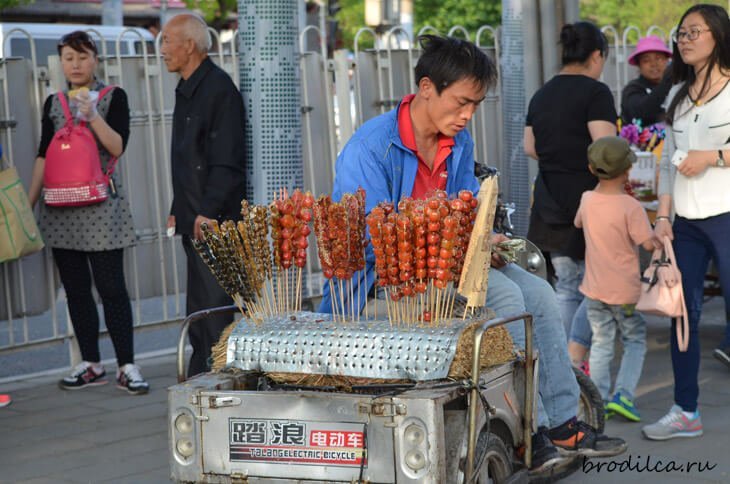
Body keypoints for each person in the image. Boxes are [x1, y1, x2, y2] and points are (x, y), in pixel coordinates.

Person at [319, 34, 627, 472]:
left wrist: (484, 241)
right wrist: (452, 243)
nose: (467, 116)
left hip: (452, 266)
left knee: (538, 293)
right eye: (461, 102)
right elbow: (370, 237)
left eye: (475, 106)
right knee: (506, 300)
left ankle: (561, 422)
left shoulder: (457, 142)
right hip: (390, 276)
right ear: (427, 88)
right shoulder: (371, 147)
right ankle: (532, 433)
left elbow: (464, 207)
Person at [26, 31, 148, 395]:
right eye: (68, 58)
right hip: (59, 210)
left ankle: (127, 365)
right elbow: (43, 157)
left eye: (81, 57)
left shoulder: (113, 97)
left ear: (95, 59)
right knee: (77, 291)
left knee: (112, 288)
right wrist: (26, 209)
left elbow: (118, 146)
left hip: (102, 209)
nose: (75, 65)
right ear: (61, 63)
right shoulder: (53, 102)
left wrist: (92, 115)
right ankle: (91, 363)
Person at [643, 4, 730, 440]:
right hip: (686, 226)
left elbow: (703, 159)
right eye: (682, 32)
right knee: (681, 315)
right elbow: (666, 165)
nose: (685, 39)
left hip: (728, 217)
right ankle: (686, 410)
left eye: (695, 31)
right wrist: (662, 218)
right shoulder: (676, 94)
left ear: (719, 35)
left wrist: (713, 156)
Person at [524, 22, 617, 372]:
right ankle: (576, 359)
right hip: (590, 200)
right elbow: (605, 148)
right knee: (596, 285)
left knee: (566, 286)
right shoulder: (596, 93)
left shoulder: (542, 94)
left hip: (549, 201)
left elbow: (530, 147)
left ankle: (562, 360)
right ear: (596, 56)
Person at [160, 14, 247, 377]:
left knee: (213, 309)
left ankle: (220, 381)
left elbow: (226, 159)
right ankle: (200, 379)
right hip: (193, 215)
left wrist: (207, 211)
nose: (162, 50)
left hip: (213, 219)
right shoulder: (188, 87)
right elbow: (187, 160)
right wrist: (178, 210)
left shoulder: (218, 89)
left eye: (167, 41)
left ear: (189, 46)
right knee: (197, 308)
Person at [575, 136, 658, 422]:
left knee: (601, 342)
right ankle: (623, 395)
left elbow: (577, 222)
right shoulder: (630, 207)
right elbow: (648, 244)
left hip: (594, 289)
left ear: (590, 168)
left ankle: (597, 400)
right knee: (634, 339)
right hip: (625, 292)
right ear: (627, 171)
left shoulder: (587, 199)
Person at [620, 35, 673, 126]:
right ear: (639, 65)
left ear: (666, 60)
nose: (653, 64)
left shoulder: (677, 85)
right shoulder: (632, 89)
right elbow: (640, 112)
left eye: (658, 58)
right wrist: (666, 83)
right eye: (646, 60)